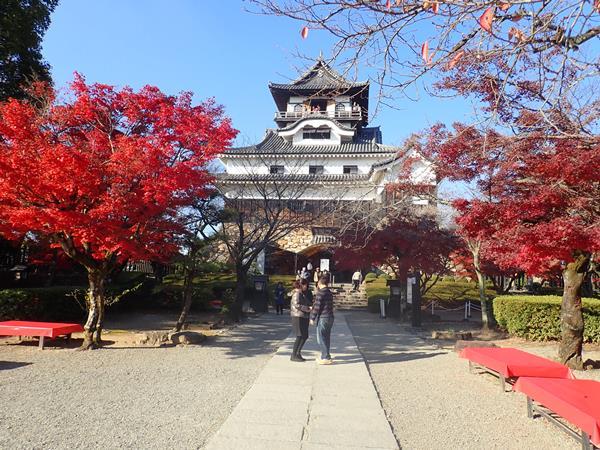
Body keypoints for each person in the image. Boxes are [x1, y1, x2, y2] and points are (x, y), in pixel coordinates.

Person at [310, 273, 334, 364]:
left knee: (321, 338)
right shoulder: (329, 292)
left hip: (323, 317)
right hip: (330, 317)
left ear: (319, 283)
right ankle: (326, 354)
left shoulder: (320, 293)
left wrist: (312, 317)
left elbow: (317, 306)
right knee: (326, 337)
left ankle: (325, 357)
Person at [290, 279, 312, 362]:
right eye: (305, 285)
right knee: (299, 336)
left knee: (305, 335)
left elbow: (307, 302)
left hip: (303, 316)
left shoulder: (301, 294)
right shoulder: (297, 294)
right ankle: (294, 354)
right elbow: (297, 305)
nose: (306, 286)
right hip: (298, 316)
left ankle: (298, 353)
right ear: (301, 285)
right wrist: (307, 309)